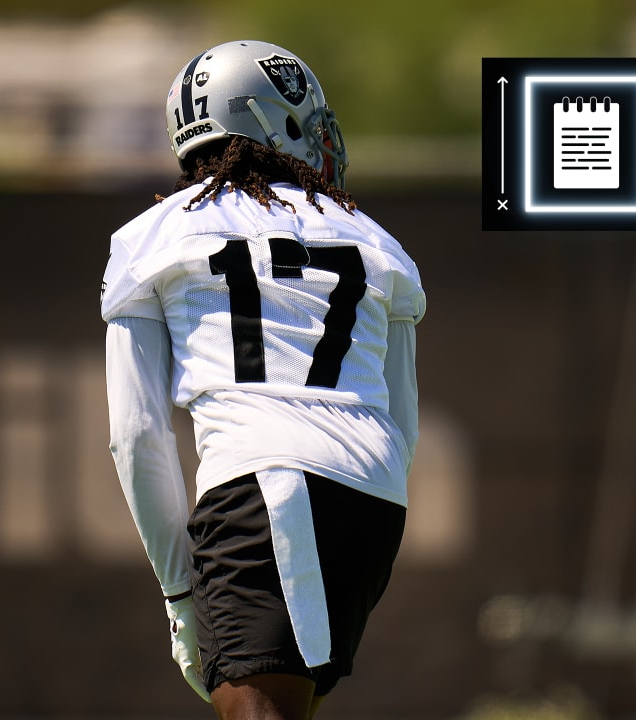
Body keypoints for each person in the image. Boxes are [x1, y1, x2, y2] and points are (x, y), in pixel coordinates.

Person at [100, 40, 425, 720]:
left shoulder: (154, 236)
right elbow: (403, 418)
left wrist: (179, 594)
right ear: (270, 121)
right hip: (375, 498)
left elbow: (137, 434)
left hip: (263, 484)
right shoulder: (375, 237)